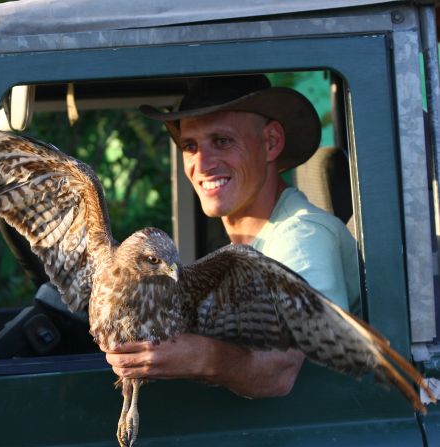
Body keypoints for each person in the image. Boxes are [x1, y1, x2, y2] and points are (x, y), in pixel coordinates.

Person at [102, 74, 361, 398]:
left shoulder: (301, 237)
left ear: (271, 143)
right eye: (189, 146)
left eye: (222, 141)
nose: (202, 164)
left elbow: (281, 373)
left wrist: (203, 357)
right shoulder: (252, 243)